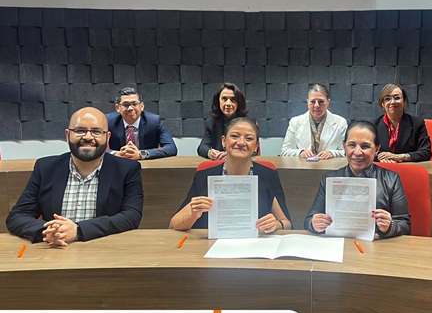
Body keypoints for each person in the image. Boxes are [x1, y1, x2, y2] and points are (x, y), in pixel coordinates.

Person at [6, 107, 143, 246]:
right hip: (54, 249)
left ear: (107, 137)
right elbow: (17, 216)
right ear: (67, 135)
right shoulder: (46, 168)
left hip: (104, 249)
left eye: (96, 131)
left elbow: (131, 216)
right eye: (80, 130)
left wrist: (78, 230)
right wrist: (50, 231)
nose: (88, 137)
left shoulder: (127, 169)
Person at [171, 117, 292, 232]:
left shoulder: (268, 175)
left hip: (255, 243)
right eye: (234, 136)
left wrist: (277, 224)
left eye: (249, 138)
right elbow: (174, 224)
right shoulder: (205, 175)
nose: (241, 142)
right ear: (223, 141)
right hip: (211, 243)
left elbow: (287, 223)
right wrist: (192, 214)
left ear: (256, 146)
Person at [304, 121, 411, 238]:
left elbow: (405, 225)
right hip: (339, 243)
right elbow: (309, 220)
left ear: (376, 149)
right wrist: (314, 224)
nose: (357, 152)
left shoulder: (391, 179)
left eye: (365, 146)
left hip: (377, 244)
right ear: (344, 147)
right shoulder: (329, 179)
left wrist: (390, 227)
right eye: (352, 145)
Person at [107, 87, 177, 160]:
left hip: (146, 164)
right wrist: (115, 154)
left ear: (142, 106)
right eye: (125, 104)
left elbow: (171, 148)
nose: (130, 108)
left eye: (134, 104)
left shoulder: (154, 121)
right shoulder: (108, 121)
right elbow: (98, 147)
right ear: (117, 107)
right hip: (119, 164)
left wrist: (141, 154)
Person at [280, 84, 347, 159]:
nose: (317, 105)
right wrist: (300, 152)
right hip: (303, 166)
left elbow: (346, 151)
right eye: (312, 101)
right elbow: (285, 151)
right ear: (307, 102)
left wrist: (332, 153)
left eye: (321, 101)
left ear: (328, 102)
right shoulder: (295, 122)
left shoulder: (340, 123)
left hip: (330, 166)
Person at [372, 83, 431, 163]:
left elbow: (426, 152)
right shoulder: (372, 125)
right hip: (382, 168)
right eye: (387, 99)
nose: (392, 102)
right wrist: (381, 157)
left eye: (397, 98)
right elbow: (366, 150)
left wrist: (400, 157)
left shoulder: (417, 123)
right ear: (382, 104)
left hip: (407, 168)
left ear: (404, 101)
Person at [198, 83, 249, 160]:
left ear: (238, 102)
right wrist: (210, 152)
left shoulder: (248, 123)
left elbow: (253, 149)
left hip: (241, 163)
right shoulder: (211, 122)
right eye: (224, 99)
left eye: (233, 99)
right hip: (219, 162)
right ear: (218, 102)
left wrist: (233, 154)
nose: (228, 103)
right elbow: (202, 147)